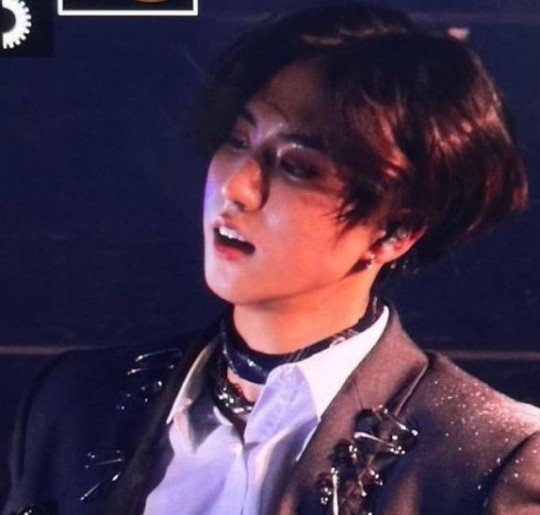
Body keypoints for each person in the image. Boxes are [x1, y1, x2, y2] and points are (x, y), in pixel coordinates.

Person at [4, 3, 540, 515]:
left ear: (396, 231)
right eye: (238, 139)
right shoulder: (77, 402)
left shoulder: (489, 458)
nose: (236, 187)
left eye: (297, 166)